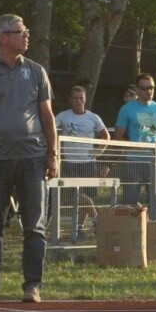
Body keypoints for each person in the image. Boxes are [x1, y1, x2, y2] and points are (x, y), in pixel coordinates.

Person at [0, 14, 58, 303]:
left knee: (35, 226)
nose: (26, 35)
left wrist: (53, 155)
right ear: (3, 38)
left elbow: (47, 116)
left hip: (32, 158)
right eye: (20, 31)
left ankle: (33, 286)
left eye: (26, 30)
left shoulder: (36, 71)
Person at [55, 84, 110, 238]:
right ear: (70, 100)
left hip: (87, 161)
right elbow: (51, 128)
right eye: (75, 98)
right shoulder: (63, 116)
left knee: (87, 196)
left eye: (81, 98)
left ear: (85, 100)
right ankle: (96, 218)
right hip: (70, 162)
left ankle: (79, 228)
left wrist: (99, 150)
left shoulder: (93, 118)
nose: (78, 101)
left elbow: (106, 136)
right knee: (75, 194)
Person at [112, 73, 156, 208]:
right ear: (138, 90)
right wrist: (134, 146)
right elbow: (117, 137)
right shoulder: (126, 109)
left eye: (151, 88)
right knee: (130, 202)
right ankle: (132, 229)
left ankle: (155, 227)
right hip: (134, 162)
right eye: (144, 88)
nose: (149, 91)